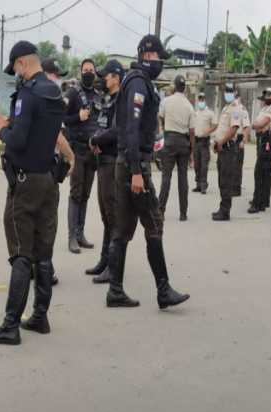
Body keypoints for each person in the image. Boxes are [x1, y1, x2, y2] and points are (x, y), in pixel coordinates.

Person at [0, 41, 65, 346]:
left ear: (21, 63)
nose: (15, 74)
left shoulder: (28, 95)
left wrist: (2, 129)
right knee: (43, 255)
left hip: (25, 182)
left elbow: (17, 141)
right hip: (48, 181)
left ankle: (10, 325)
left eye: (15, 67)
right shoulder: (56, 93)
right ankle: (40, 317)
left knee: (20, 254)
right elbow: (53, 136)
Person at [107, 34, 190, 309]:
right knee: (153, 224)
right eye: (155, 57)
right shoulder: (139, 83)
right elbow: (130, 128)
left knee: (123, 229)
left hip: (129, 163)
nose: (158, 62)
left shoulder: (137, 82)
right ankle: (163, 290)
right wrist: (136, 171)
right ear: (144, 54)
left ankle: (115, 291)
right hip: (134, 165)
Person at [86, 59, 126, 285]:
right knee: (105, 214)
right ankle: (104, 260)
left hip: (112, 162)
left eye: (107, 75)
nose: (104, 79)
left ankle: (113, 266)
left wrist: (97, 138)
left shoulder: (121, 100)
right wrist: (95, 139)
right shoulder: (108, 99)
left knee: (112, 214)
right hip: (103, 160)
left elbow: (117, 130)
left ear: (116, 77)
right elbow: (101, 125)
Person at [63, 59, 103, 254]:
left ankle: (80, 234)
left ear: (95, 73)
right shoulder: (72, 93)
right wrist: (77, 117)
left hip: (92, 152)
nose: (88, 72)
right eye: (85, 70)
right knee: (76, 193)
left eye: (91, 70)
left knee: (86, 194)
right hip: (77, 150)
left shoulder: (97, 95)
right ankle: (71, 237)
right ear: (80, 72)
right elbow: (62, 118)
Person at [43, 59, 77, 287]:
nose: (57, 79)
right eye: (54, 74)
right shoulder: (47, 97)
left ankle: (35, 268)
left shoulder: (27, 94)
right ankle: (46, 269)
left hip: (29, 170)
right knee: (46, 223)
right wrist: (71, 156)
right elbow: (55, 133)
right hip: (44, 171)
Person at [158, 74, 196, 221]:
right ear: (184, 87)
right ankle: (183, 213)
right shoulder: (189, 106)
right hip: (183, 142)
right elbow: (192, 131)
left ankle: (160, 211)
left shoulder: (166, 101)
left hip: (169, 140)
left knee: (166, 177)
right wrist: (191, 150)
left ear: (174, 86)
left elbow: (160, 116)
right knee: (183, 179)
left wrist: (164, 126)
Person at [212, 83, 243, 221]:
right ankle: (222, 208)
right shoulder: (226, 108)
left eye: (230, 91)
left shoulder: (236, 108)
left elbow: (233, 129)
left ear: (234, 92)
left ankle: (225, 212)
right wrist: (216, 141)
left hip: (228, 148)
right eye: (226, 91)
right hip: (222, 147)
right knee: (221, 180)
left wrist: (221, 142)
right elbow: (222, 127)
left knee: (226, 180)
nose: (228, 93)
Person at [249, 87, 271, 214]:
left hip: (266, 139)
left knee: (260, 172)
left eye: (269, 95)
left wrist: (255, 125)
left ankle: (257, 203)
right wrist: (256, 124)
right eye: (265, 95)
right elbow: (258, 123)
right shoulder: (265, 109)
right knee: (265, 172)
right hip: (263, 138)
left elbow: (259, 125)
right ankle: (264, 199)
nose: (266, 97)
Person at [192, 92, 217, 194]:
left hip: (204, 142)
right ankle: (198, 184)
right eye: (200, 99)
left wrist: (209, 131)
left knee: (204, 165)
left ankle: (203, 185)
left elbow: (215, 124)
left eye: (202, 99)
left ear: (205, 100)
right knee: (197, 164)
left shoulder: (210, 113)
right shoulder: (195, 113)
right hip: (196, 141)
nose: (201, 101)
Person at [234, 91, 251, 198]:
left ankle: (236, 188)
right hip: (232, 138)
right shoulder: (232, 109)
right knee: (231, 164)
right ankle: (232, 186)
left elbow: (246, 127)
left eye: (236, 97)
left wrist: (243, 140)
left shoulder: (243, 110)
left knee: (237, 165)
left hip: (239, 139)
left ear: (239, 98)